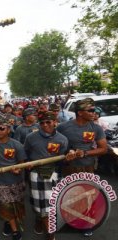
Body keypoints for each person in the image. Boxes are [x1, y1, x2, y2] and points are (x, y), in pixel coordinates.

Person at [56, 98, 107, 237]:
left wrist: (85, 153)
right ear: (79, 113)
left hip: (88, 167)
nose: (94, 113)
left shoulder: (95, 127)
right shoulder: (63, 127)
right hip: (69, 168)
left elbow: (103, 149)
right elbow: (55, 145)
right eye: (90, 110)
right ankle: (70, 219)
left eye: (94, 110)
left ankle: (86, 224)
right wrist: (67, 152)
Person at [24, 111, 68, 240]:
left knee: (51, 204)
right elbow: (24, 154)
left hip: (54, 174)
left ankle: (47, 229)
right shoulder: (30, 137)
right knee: (39, 204)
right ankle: (46, 228)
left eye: (48, 122)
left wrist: (68, 158)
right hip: (35, 175)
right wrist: (27, 163)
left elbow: (63, 160)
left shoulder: (62, 139)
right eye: (42, 122)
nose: (45, 125)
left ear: (55, 122)